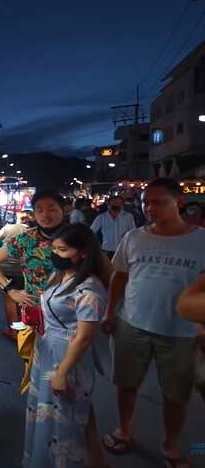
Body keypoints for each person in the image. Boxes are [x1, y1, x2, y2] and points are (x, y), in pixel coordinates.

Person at [101, 178, 204, 466]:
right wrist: (110, 313)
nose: (150, 208)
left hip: (181, 332)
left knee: (176, 394)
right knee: (126, 384)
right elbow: (119, 277)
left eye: (158, 202)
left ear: (179, 203)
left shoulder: (200, 240)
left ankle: (171, 446)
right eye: (146, 202)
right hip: (132, 324)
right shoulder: (134, 238)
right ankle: (125, 431)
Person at [23, 223, 108, 467]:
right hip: (47, 350)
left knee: (64, 420)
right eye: (54, 249)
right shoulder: (60, 275)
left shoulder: (90, 290)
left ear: (82, 253)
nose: (55, 255)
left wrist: (62, 373)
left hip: (68, 357)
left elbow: (84, 337)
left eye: (62, 250)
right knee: (43, 412)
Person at [0, 215, 29, 340]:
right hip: (23, 270)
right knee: (23, 297)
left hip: (5, 268)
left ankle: (13, 331)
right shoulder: (31, 231)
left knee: (9, 300)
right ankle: (24, 329)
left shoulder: (7, 228)